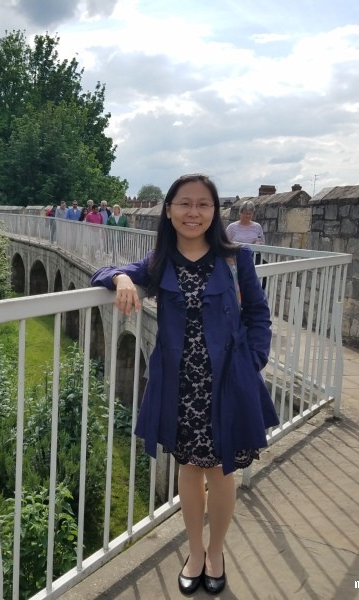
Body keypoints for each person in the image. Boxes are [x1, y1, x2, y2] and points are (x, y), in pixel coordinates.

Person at [90, 174, 278, 596]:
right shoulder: (161, 261)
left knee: (222, 470)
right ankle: (195, 552)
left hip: (227, 383)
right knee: (190, 469)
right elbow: (105, 271)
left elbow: (258, 315)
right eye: (185, 204)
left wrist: (253, 361)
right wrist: (122, 279)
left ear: (214, 212)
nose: (194, 213)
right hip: (181, 386)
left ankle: (216, 552)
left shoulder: (237, 260)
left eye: (203, 204)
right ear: (169, 210)